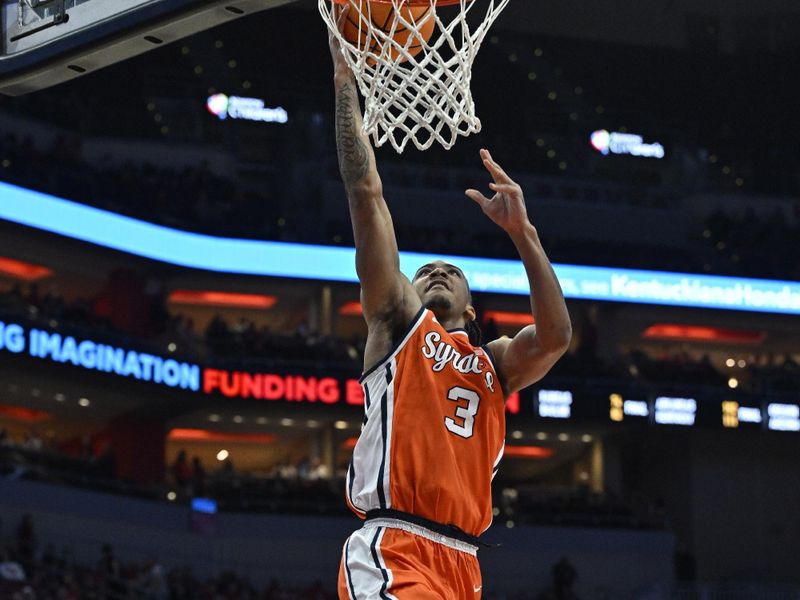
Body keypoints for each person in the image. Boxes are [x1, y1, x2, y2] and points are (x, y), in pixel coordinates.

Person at [329, 8, 572, 599]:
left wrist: (525, 235)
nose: (436, 271)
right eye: (426, 271)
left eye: (451, 272)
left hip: (464, 564)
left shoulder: (495, 364)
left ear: (472, 310)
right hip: (395, 547)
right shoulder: (397, 324)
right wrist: (344, 84)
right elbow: (366, 195)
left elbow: (556, 337)